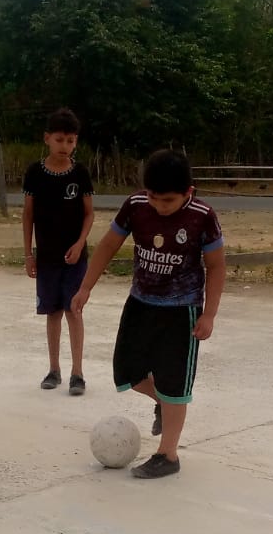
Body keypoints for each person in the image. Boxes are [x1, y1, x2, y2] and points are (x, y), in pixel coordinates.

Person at [72, 149, 225, 479]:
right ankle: (164, 403)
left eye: (168, 200)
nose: (159, 206)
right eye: (154, 197)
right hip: (140, 304)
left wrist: (209, 314)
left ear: (188, 192)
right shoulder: (136, 205)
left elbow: (216, 266)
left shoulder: (202, 216)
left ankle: (167, 455)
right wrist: (85, 287)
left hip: (181, 312)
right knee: (127, 372)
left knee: (174, 384)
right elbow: (108, 245)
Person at [24, 108, 96, 395]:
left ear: (76, 141)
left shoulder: (80, 173)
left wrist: (80, 243)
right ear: (47, 139)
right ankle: (54, 369)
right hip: (46, 257)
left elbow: (89, 214)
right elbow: (28, 215)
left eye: (70, 141)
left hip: (75, 257)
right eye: (59, 140)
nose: (64, 146)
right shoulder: (34, 173)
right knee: (52, 312)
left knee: (74, 311)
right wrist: (28, 254)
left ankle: (78, 373)